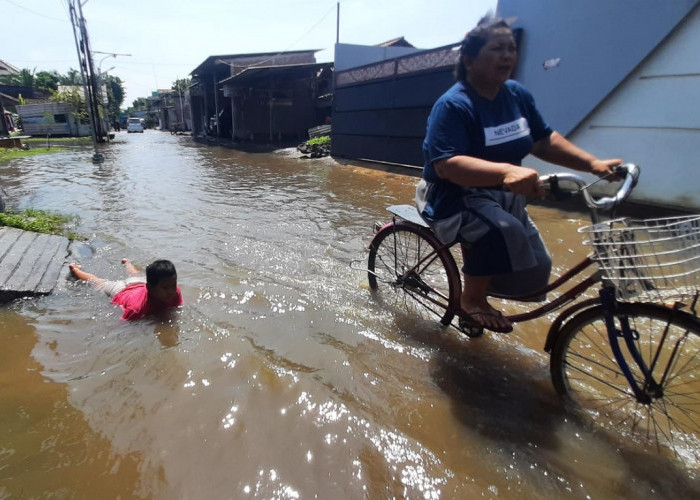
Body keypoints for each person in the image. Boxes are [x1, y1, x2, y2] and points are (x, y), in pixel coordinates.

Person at [415, 15, 621, 333]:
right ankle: (471, 301)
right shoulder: (453, 106)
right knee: (503, 231)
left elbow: (543, 139)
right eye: (497, 48)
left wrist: (591, 163)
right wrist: (508, 171)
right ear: (470, 59)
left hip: (504, 193)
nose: (508, 56)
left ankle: (478, 277)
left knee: (537, 269)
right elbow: (448, 165)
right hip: (453, 195)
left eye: (511, 48)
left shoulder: (516, 95)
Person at [69, 258, 184, 321]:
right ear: (150, 288)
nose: (171, 291)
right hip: (122, 290)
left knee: (135, 275)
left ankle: (127, 263)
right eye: (165, 288)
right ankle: (76, 270)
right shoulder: (136, 308)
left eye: (173, 285)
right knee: (98, 282)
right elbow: (122, 322)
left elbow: (176, 308)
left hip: (140, 283)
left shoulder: (175, 291)